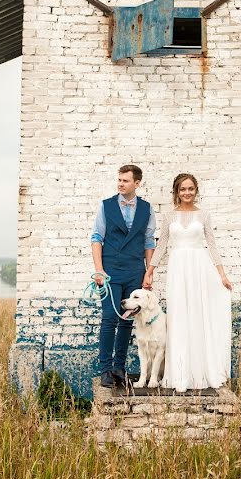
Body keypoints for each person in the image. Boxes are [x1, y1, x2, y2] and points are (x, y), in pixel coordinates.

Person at [144, 173, 232, 392]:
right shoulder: (169, 216)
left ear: (196, 190)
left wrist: (222, 274)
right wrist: (150, 271)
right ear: (176, 191)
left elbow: (211, 245)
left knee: (197, 314)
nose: (187, 192)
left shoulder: (203, 215)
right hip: (177, 268)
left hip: (199, 267)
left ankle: (200, 369)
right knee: (179, 315)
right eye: (183, 189)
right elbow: (162, 244)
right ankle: (180, 372)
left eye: (191, 188)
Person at [91, 164, 156, 388]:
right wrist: (99, 269)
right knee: (109, 317)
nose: (120, 184)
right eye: (119, 180)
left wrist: (149, 272)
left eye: (125, 181)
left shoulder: (147, 208)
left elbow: (149, 242)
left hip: (135, 271)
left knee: (127, 319)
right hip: (110, 271)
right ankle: (105, 370)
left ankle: (119, 367)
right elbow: (97, 238)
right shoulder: (106, 206)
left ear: (137, 184)